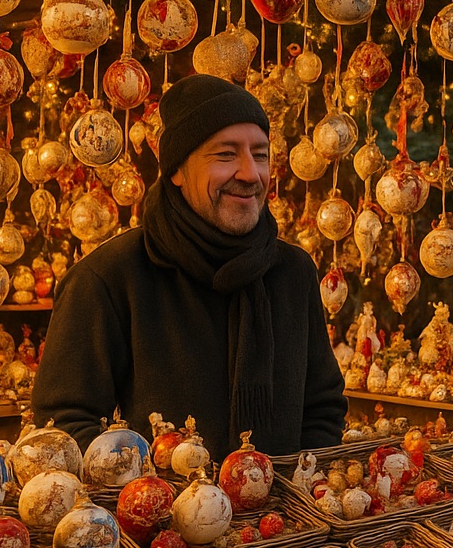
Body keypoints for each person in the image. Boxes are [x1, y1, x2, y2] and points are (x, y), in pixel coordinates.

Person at [33, 75, 347, 456]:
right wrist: (155, 494)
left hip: (285, 512)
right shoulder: (109, 279)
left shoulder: (292, 273)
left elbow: (322, 408)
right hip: (157, 512)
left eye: (260, 154)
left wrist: (298, 493)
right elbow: (63, 425)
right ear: (177, 171)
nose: (250, 174)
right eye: (226, 154)